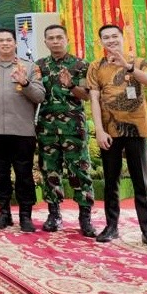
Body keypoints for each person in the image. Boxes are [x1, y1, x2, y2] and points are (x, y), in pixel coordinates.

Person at [87, 24, 147, 251]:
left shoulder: (139, 62)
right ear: (101, 42)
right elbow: (94, 99)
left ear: (123, 38)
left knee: (141, 182)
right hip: (109, 131)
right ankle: (111, 226)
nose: (111, 40)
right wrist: (99, 130)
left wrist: (127, 66)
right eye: (106, 37)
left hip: (136, 129)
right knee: (111, 181)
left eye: (114, 36)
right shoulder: (96, 66)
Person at [0, 29, 45, 232]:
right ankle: (4, 213)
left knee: (24, 174)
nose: (5, 43)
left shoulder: (30, 67)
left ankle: (25, 215)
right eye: (1, 40)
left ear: (15, 43)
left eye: (8, 40)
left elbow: (40, 96)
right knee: (1, 174)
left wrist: (25, 83)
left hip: (22, 131)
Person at [35, 24, 97, 236]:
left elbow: (87, 95)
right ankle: (54, 215)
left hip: (74, 128)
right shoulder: (39, 66)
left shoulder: (81, 65)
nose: (55, 41)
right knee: (49, 170)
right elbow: (35, 95)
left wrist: (71, 85)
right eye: (51, 38)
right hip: (47, 128)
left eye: (59, 37)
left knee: (79, 170)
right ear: (45, 42)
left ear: (67, 39)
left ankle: (85, 218)